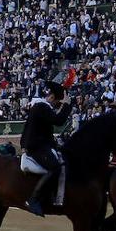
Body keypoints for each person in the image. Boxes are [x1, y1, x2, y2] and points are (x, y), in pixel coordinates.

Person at [21, 80, 72, 217]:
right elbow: (58, 121)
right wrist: (67, 105)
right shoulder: (42, 107)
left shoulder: (39, 107)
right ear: (52, 97)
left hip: (37, 144)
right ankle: (34, 199)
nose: (57, 106)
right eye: (58, 103)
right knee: (55, 168)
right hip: (37, 146)